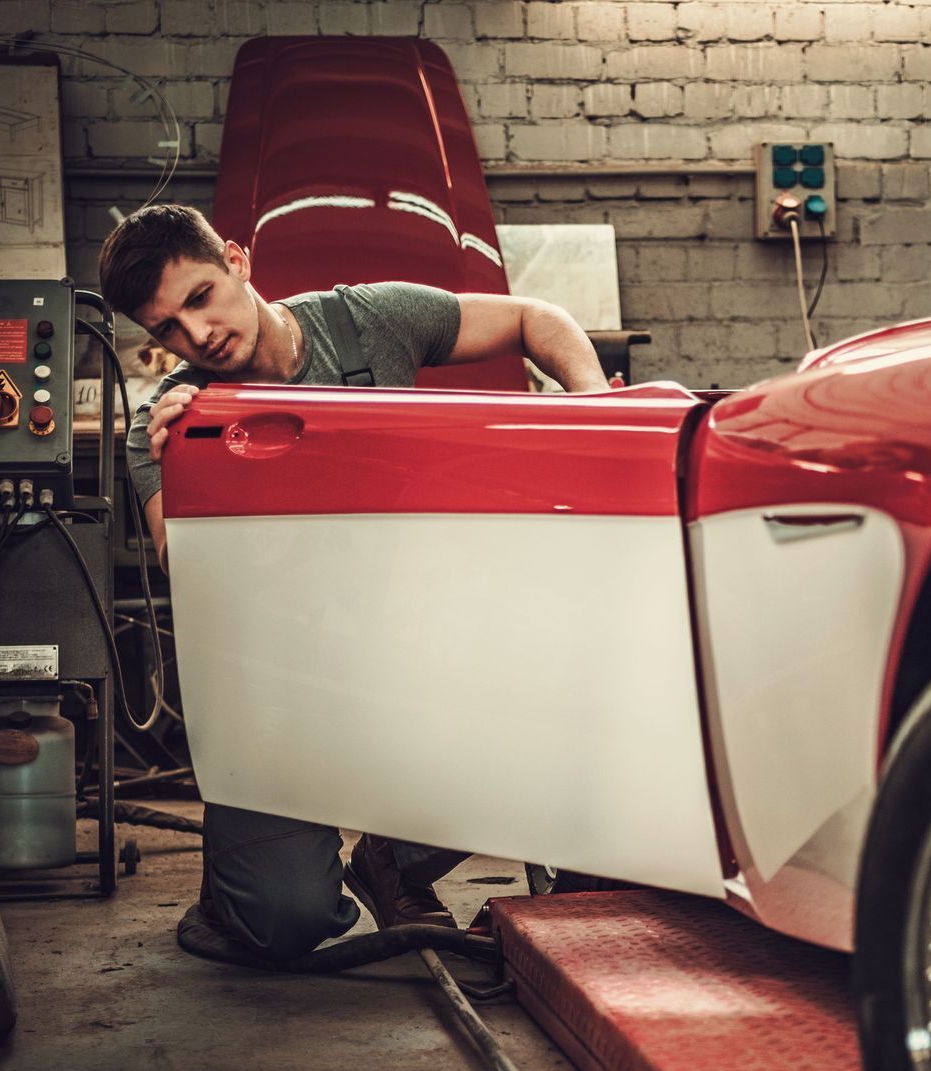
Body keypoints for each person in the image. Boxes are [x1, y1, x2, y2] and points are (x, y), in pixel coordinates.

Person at [99, 203, 609, 960]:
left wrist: (592, 407)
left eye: (201, 297)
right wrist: (187, 466)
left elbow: (538, 319)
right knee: (284, 923)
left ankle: (393, 859)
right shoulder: (172, 425)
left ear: (237, 260)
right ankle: (237, 892)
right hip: (276, 697)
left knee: (553, 695)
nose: (198, 335)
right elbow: (189, 574)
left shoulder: (368, 323)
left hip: (406, 661)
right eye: (169, 328)